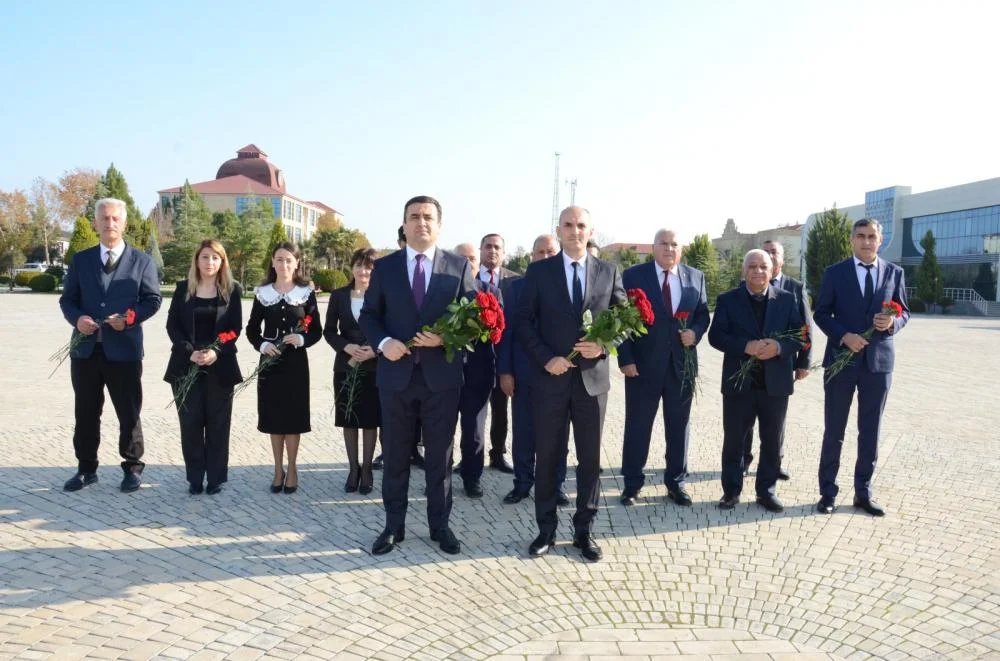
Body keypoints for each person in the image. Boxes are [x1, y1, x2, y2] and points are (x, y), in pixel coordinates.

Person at [360, 195, 476, 556]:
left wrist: (446, 338)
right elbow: (368, 316)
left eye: (428, 217)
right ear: (404, 224)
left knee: (440, 458)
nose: (421, 223)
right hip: (395, 378)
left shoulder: (457, 267)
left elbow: (476, 321)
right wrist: (384, 342)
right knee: (394, 455)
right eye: (414, 217)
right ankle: (393, 526)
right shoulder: (385, 267)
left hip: (441, 380)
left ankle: (439, 526)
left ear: (439, 225)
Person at [516, 206, 626, 562]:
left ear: (590, 230)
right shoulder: (538, 272)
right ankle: (545, 530)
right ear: (558, 230)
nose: (574, 231)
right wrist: (547, 357)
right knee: (547, 457)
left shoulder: (609, 271)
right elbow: (524, 323)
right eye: (568, 225)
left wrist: (605, 344)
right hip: (550, 379)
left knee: (590, 459)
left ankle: (584, 531)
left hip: (592, 383)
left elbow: (625, 319)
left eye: (581, 225)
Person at [59, 198, 162, 493]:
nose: (110, 223)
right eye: (104, 218)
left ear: (124, 223)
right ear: (96, 222)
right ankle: (86, 468)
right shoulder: (81, 260)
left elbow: (153, 300)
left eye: (115, 218)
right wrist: (77, 319)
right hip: (86, 351)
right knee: (86, 411)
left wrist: (129, 318)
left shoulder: (141, 261)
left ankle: (132, 467)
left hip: (124, 351)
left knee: (128, 412)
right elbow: (67, 300)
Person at [813, 218, 909, 516]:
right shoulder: (834, 273)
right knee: (835, 429)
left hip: (878, 364)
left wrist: (893, 322)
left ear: (881, 240)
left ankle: (863, 492)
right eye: (860, 236)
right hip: (842, 361)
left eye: (872, 237)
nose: (866, 242)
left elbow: (904, 310)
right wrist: (844, 336)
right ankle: (827, 492)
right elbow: (821, 313)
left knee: (870, 430)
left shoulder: (895, 272)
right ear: (852, 240)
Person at [617, 229, 710, 507]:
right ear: (654, 247)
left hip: (681, 366)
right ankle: (632, 484)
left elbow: (703, 314)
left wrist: (695, 332)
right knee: (638, 425)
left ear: (681, 249)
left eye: (674, 244)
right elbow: (620, 318)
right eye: (664, 244)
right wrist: (626, 359)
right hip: (642, 367)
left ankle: (676, 482)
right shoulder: (634, 276)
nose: (669, 249)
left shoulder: (696, 277)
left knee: (679, 426)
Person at [708, 249, 803, 512]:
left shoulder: (786, 299)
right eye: (752, 266)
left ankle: (766, 491)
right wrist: (745, 346)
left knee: (772, 439)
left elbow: (799, 336)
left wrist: (780, 347)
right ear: (744, 270)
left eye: (763, 267)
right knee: (735, 440)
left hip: (775, 384)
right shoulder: (728, 300)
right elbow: (716, 336)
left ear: (772, 271)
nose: (758, 271)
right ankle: (731, 490)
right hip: (739, 383)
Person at [164, 239, 243, 495]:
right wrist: (190, 352)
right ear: (197, 260)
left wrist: (215, 351)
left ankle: (216, 478)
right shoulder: (182, 289)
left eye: (215, 258)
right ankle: (195, 478)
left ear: (222, 262)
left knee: (219, 423)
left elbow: (234, 329)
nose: (210, 262)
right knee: (190, 423)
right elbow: (172, 326)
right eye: (205, 257)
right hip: (185, 364)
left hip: (220, 366)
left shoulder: (232, 291)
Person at [496, 234, 569, 505]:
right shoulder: (514, 288)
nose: (546, 257)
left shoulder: (568, 287)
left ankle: (555, 485)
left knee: (557, 434)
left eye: (551, 252)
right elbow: (507, 333)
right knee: (524, 431)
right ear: (532, 256)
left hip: (558, 375)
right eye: (541, 252)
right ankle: (523, 482)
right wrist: (505, 371)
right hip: (524, 373)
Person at [245, 242, 323, 495]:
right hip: (270, 363)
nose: (284, 264)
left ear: (297, 263)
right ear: (273, 262)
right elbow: (251, 330)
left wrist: (301, 339)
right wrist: (263, 345)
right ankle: (277, 469)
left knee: (293, 418)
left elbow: (317, 330)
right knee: (274, 418)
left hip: (296, 364)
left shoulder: (306, 293)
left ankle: (293, 468)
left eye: (289, 260)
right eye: (279, 259)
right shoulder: (262, 292)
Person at [325, 248, 381, 494]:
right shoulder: (338, 296)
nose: (363, 271)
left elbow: (391, 328)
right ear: (352, 268)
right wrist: (345, 346)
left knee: (370, 420)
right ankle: (353, 469)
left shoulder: (381, 296)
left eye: (368, 266)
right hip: (345, 364)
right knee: (349, 418)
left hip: (374, 365)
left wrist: (374, 350)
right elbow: (328, 331)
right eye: (359, 265)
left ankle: (367, 469)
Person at [453, 243, 502, 497]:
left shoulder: (491, 292)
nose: (467, 262)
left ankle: (472, 478)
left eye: (472, 258)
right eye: (461, 258)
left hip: (479, 371)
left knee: (474, 431)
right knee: (441, 430)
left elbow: (500, 333)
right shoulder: (442, 291)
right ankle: (438, 479)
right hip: (445, 371)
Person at [477, 233, 516, 473]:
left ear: (504, 253)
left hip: (504, 357)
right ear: (481, 250)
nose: (492, 251)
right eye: (488, 246)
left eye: (497, 247)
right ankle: (470, 455)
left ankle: (498, 454)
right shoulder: (467, 278)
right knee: (472, 410)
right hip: (474, 357)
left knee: (501, 410)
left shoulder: (515, 281)